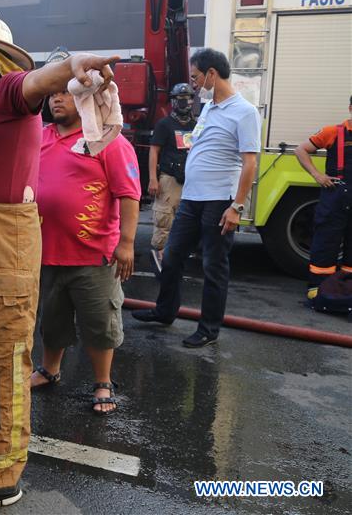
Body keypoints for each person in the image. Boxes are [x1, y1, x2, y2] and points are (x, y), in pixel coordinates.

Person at [0, 0, 118, 512]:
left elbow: (37, 82)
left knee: (0, 359)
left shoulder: (6, 94)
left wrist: (72, 66)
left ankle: (0, 479)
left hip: (1, 244)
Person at [132, 48, 261, 348]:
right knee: (172, 256)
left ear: (212, 74)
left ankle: (209, 329)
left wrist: (236, 206)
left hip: (219, 201)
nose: (193, 84)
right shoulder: (209, 109)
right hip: (192, 199)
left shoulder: (244, 112)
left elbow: (250, 163)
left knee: (213, 266)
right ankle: (165, 311)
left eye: (196, 77)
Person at [29, 87, 140, 416]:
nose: (56, 99)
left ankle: (103, 382)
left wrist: (127, 243)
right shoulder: (40, 136)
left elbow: (129, 193)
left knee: (100, 323)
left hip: (94, 255)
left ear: (85, 99)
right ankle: (50, 370)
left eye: (65, 94)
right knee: (52, 320)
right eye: (52, 94)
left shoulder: (107, 139)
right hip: (47, 252)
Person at [294, 95, 352, 302]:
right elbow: (301, 150)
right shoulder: (333, 132)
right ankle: (318, 288)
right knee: (326, 242)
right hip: (336, 197)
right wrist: (317, 175)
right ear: (350, 108)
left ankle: (346, 287)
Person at [148, 83, 196, 273]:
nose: (184, 102)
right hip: (169, 179)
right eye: (179, 99)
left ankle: (176, 260)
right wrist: (153, 178)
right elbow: (154, 151)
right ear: (173, 101)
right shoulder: (164, 124)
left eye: (187, 98)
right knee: (164, 220)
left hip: (190, 181)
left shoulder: (196, 125)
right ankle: (161, 262)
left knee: (185, 223)